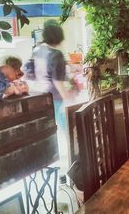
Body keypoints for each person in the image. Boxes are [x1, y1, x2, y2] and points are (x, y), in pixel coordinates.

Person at [32, 19, 72, 167]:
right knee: (67, 130)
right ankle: (71, 160)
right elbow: (57, 81)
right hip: (56, 97)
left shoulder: (37, 50)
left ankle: (52, 161)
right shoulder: (56, 54)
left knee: (50, 131)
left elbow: (32, 71)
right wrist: (68, 98)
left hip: (41, 96)